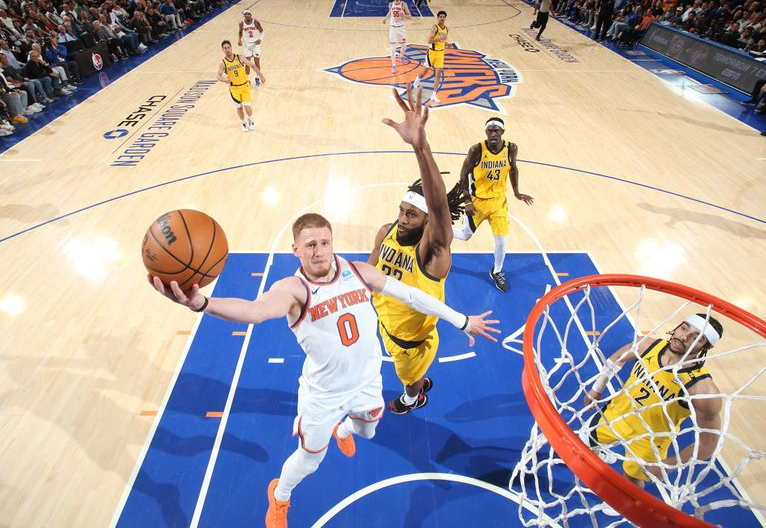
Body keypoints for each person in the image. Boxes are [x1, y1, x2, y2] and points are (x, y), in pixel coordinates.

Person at [149, 212, 499, 528]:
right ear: (296, 251)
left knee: (368, 433)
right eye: (311, 245)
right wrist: (202, 304)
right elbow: (254, 311)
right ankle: (280, 496)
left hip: (365, 382)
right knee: (309, 461)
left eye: (325, 242)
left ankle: (343, 430)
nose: (319, 251)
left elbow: (411, 295)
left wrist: (462, 320)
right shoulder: (293, 290)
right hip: (323, 396)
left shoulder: (358, 272)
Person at [370, 85, 468, 414]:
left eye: (411, 214)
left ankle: (414, 396)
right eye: (401, 210)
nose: (401, 219)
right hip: (387, 326)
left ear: (429, 222)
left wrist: (420, 149)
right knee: (409, 370)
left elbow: (440, 206)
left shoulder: (433, 253)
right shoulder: (386, 232)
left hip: (409, 346)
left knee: (406, 381)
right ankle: (418, 382)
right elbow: (370, 275)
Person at [583, 314, 724, 491]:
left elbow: (708, 444)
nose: (684, 336)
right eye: (684, 328)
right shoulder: (648, 346)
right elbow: (617, 357)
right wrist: (597, 388)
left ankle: (625, 504)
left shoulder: (703, 390)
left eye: (696, 337)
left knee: (632, 480)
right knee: (584, 444)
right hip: (616, 415)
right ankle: (600, 454)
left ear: (706, 347)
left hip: (650, 439)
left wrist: (668, 465)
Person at [452, 118, 534, 292]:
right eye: (490, 130)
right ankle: (434, 228)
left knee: (501, 241)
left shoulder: (511, 148)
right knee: (464, 235)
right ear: (486, 132)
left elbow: (513, 169)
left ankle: (496, 272)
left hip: (498, 203)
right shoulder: (476, 150)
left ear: (502, 132)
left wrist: (517, 192)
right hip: (478, 202)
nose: (493, 133)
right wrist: (466, 200)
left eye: (496, 130)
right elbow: (463, 174)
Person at [217, 39, 265, 133]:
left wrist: (261, 76)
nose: (227, 50)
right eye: (225, 48)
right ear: (223, 50)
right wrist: (225, 80)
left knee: (247, 106)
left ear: (231, 48)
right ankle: (243, 122)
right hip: (234, 88)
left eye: (228, 47)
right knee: (239, 107)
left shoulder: (239, 57)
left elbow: (252, 65)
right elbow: (218, 76)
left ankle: (250, 119)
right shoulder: (223, 63)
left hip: (245, 86)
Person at [412, 10, 448, 104]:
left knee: (438, 74)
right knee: (425, 72)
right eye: (440, 16)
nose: (442, 18)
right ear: (438, 18)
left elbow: (442, 41)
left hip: (440, 53)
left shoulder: (446, 29)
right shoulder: (435, 28)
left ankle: (433, 95)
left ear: (445, 18)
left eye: (443, 17)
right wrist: (440, 39)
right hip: (432, 53)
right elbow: (429, 41)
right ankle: (417, 79)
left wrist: (447, 44)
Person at [382, 0, 411, 74]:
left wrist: (404, 15)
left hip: (401, 28)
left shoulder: (403, 4)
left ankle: (401, 56)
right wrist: (385, 18)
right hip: (393, 28)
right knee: (393, 48)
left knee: (404, 47)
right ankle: (394, 65)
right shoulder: (390, 4)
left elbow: (410, 16)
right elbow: (390, 12)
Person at [238, 10, 263, 85]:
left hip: (256, 44)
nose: (247, 15)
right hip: (247, 45)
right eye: (245, 14)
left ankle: (257, 78)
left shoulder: (256, 22)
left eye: (248, 14)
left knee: (257, 62)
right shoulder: (241, 23)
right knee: (247, 62)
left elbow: (262, 32)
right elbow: (240, 32)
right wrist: (239, 39)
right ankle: (248, 80)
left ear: (251, 15)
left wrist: (260, 39)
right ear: (244, 15)